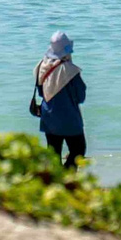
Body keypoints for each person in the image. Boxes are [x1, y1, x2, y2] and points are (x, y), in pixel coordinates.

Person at [33, 31, 87, 167]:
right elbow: (81, 96)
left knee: (53, 154)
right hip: (70, 120)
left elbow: (41, 92)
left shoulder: (41, 66)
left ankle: (56, 182)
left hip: (49, 118)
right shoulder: (71, 71)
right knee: (78, 150)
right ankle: (67, 177)